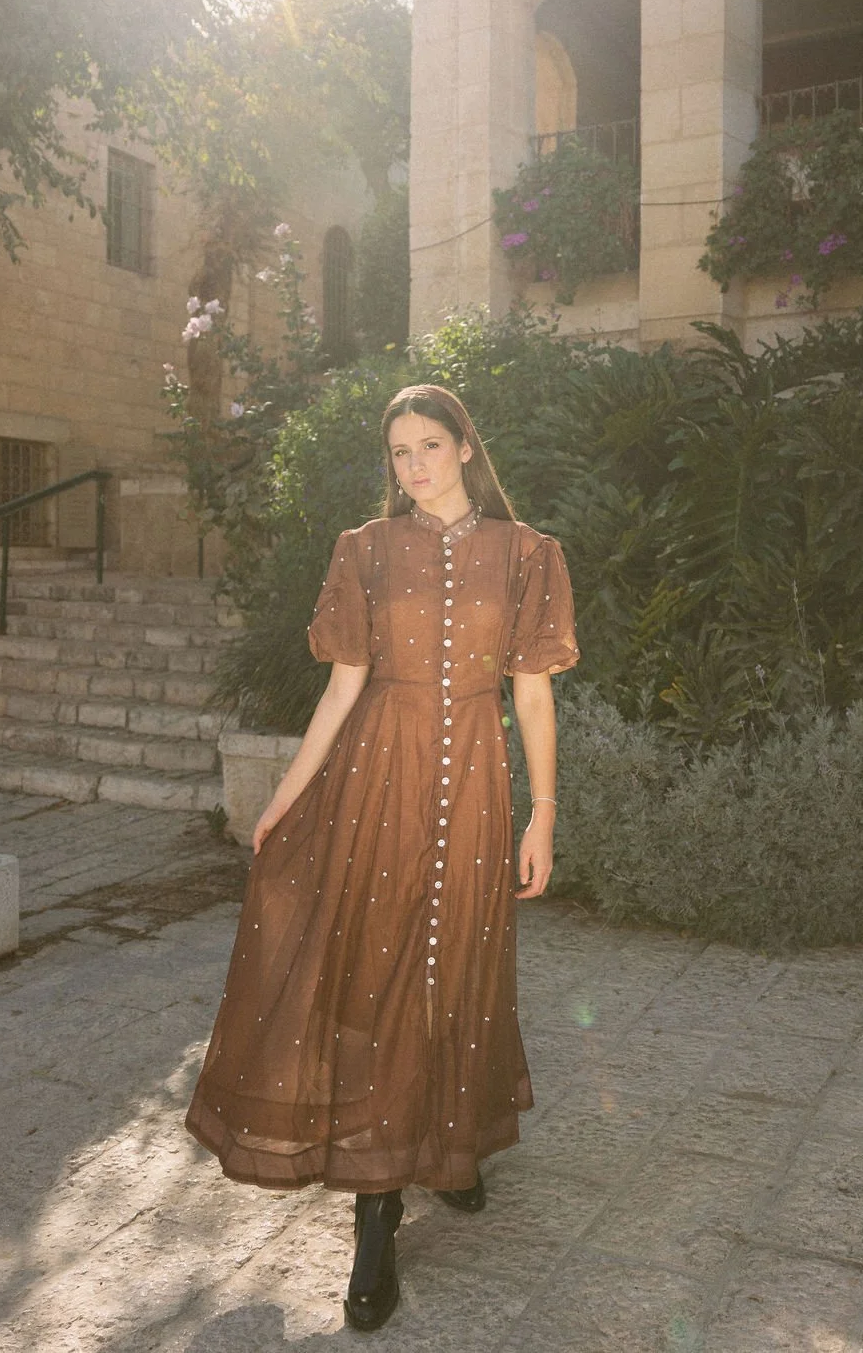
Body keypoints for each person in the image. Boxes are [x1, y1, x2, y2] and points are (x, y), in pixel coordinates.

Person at [185, 384, 579, 1332]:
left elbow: (530, 699)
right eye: (399, 451)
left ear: (465, 448)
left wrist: (544, 816)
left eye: (430, 445)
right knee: (383, 973)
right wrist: (283, 795)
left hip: (477, 788)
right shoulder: (363, 551)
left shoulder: (529, 556)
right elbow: (340, 688)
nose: (414, 466)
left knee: (463, 967)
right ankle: (377, 1210)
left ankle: (455, 1145)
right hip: (379, 786)